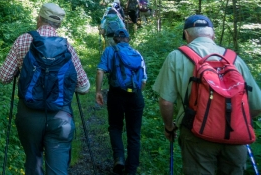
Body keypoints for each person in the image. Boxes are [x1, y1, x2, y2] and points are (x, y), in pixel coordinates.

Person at [153, 15, 261, 175]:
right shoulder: (234, 59)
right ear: (213, 34)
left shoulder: (176, 57)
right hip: (235, 136)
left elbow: (166, 102)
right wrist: (238, 121)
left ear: (186, 35)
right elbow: (257, 105)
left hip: (196, 134)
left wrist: (169, 128)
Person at [0, 3, 90, 175]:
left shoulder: (23, 40)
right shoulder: (66, 47)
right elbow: (84, 87)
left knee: (33, 163)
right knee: (58, 170)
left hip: (29, 115)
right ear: (59, 24)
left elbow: (4, 77)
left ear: (39, 18)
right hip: (59, 117)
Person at [95, 29, 147, 175]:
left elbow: (100, 71)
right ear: (128, 39)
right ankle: (131, 170)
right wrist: (135, 94)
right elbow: (143, 81)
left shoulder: (109, 51)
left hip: (116, 95)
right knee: (134, 134)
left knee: (115, 127)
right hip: (135, 96)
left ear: (115, 39)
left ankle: (119, 158)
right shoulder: (137, 54)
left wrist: (98, 91)